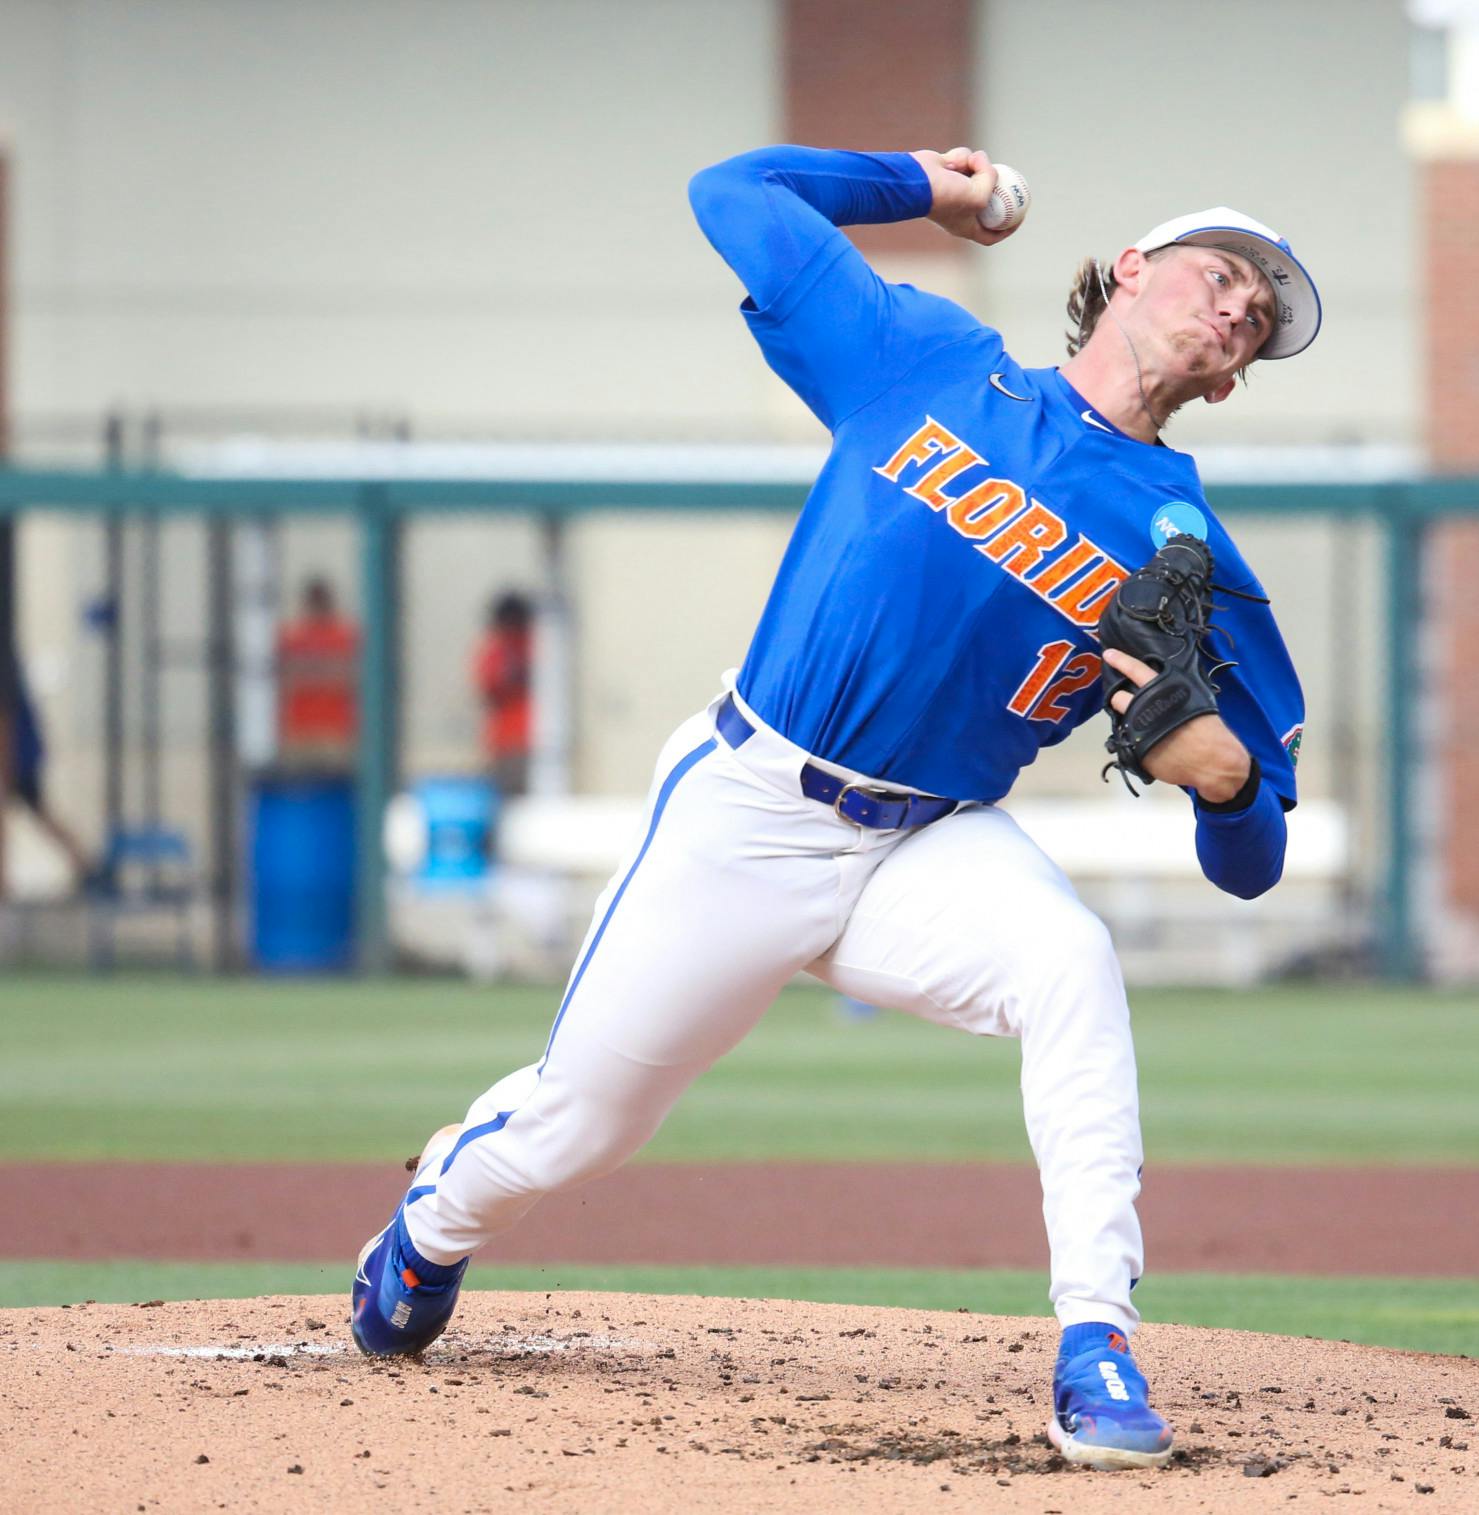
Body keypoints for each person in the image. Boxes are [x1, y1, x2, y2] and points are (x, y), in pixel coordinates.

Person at [350, 143, 1318, 1472]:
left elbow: (1254, 855)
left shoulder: (1184, 548)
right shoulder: (926, 361)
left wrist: (1223, 784)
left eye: (1255, 325)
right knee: (581, 1124)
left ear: (1226, 379)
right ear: (1132, 273)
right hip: (750, 806)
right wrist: (926, 182)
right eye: (1223, 281)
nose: (1236, 314)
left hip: (929, 839)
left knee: (1071, 962)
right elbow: (731, 197)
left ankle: (1098, 1340)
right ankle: (430, 1228)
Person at [4, 651, 94, 890]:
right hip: (20, 755)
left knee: (38, 811)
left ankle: (84, 862)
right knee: (40, 812)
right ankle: (83, 860)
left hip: (18, 757)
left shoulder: (7, 678)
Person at [275, 577, 360, 765]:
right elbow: (283, 678)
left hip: (338, 730)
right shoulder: (292, 638)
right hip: (299, 731)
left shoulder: (346, 636)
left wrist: (308, 670)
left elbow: (352, 677)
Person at [472, 591, 534, 797]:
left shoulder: (531, 647)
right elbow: (488, 684)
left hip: (524, 740)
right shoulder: (500, 650)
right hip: (509, 742)